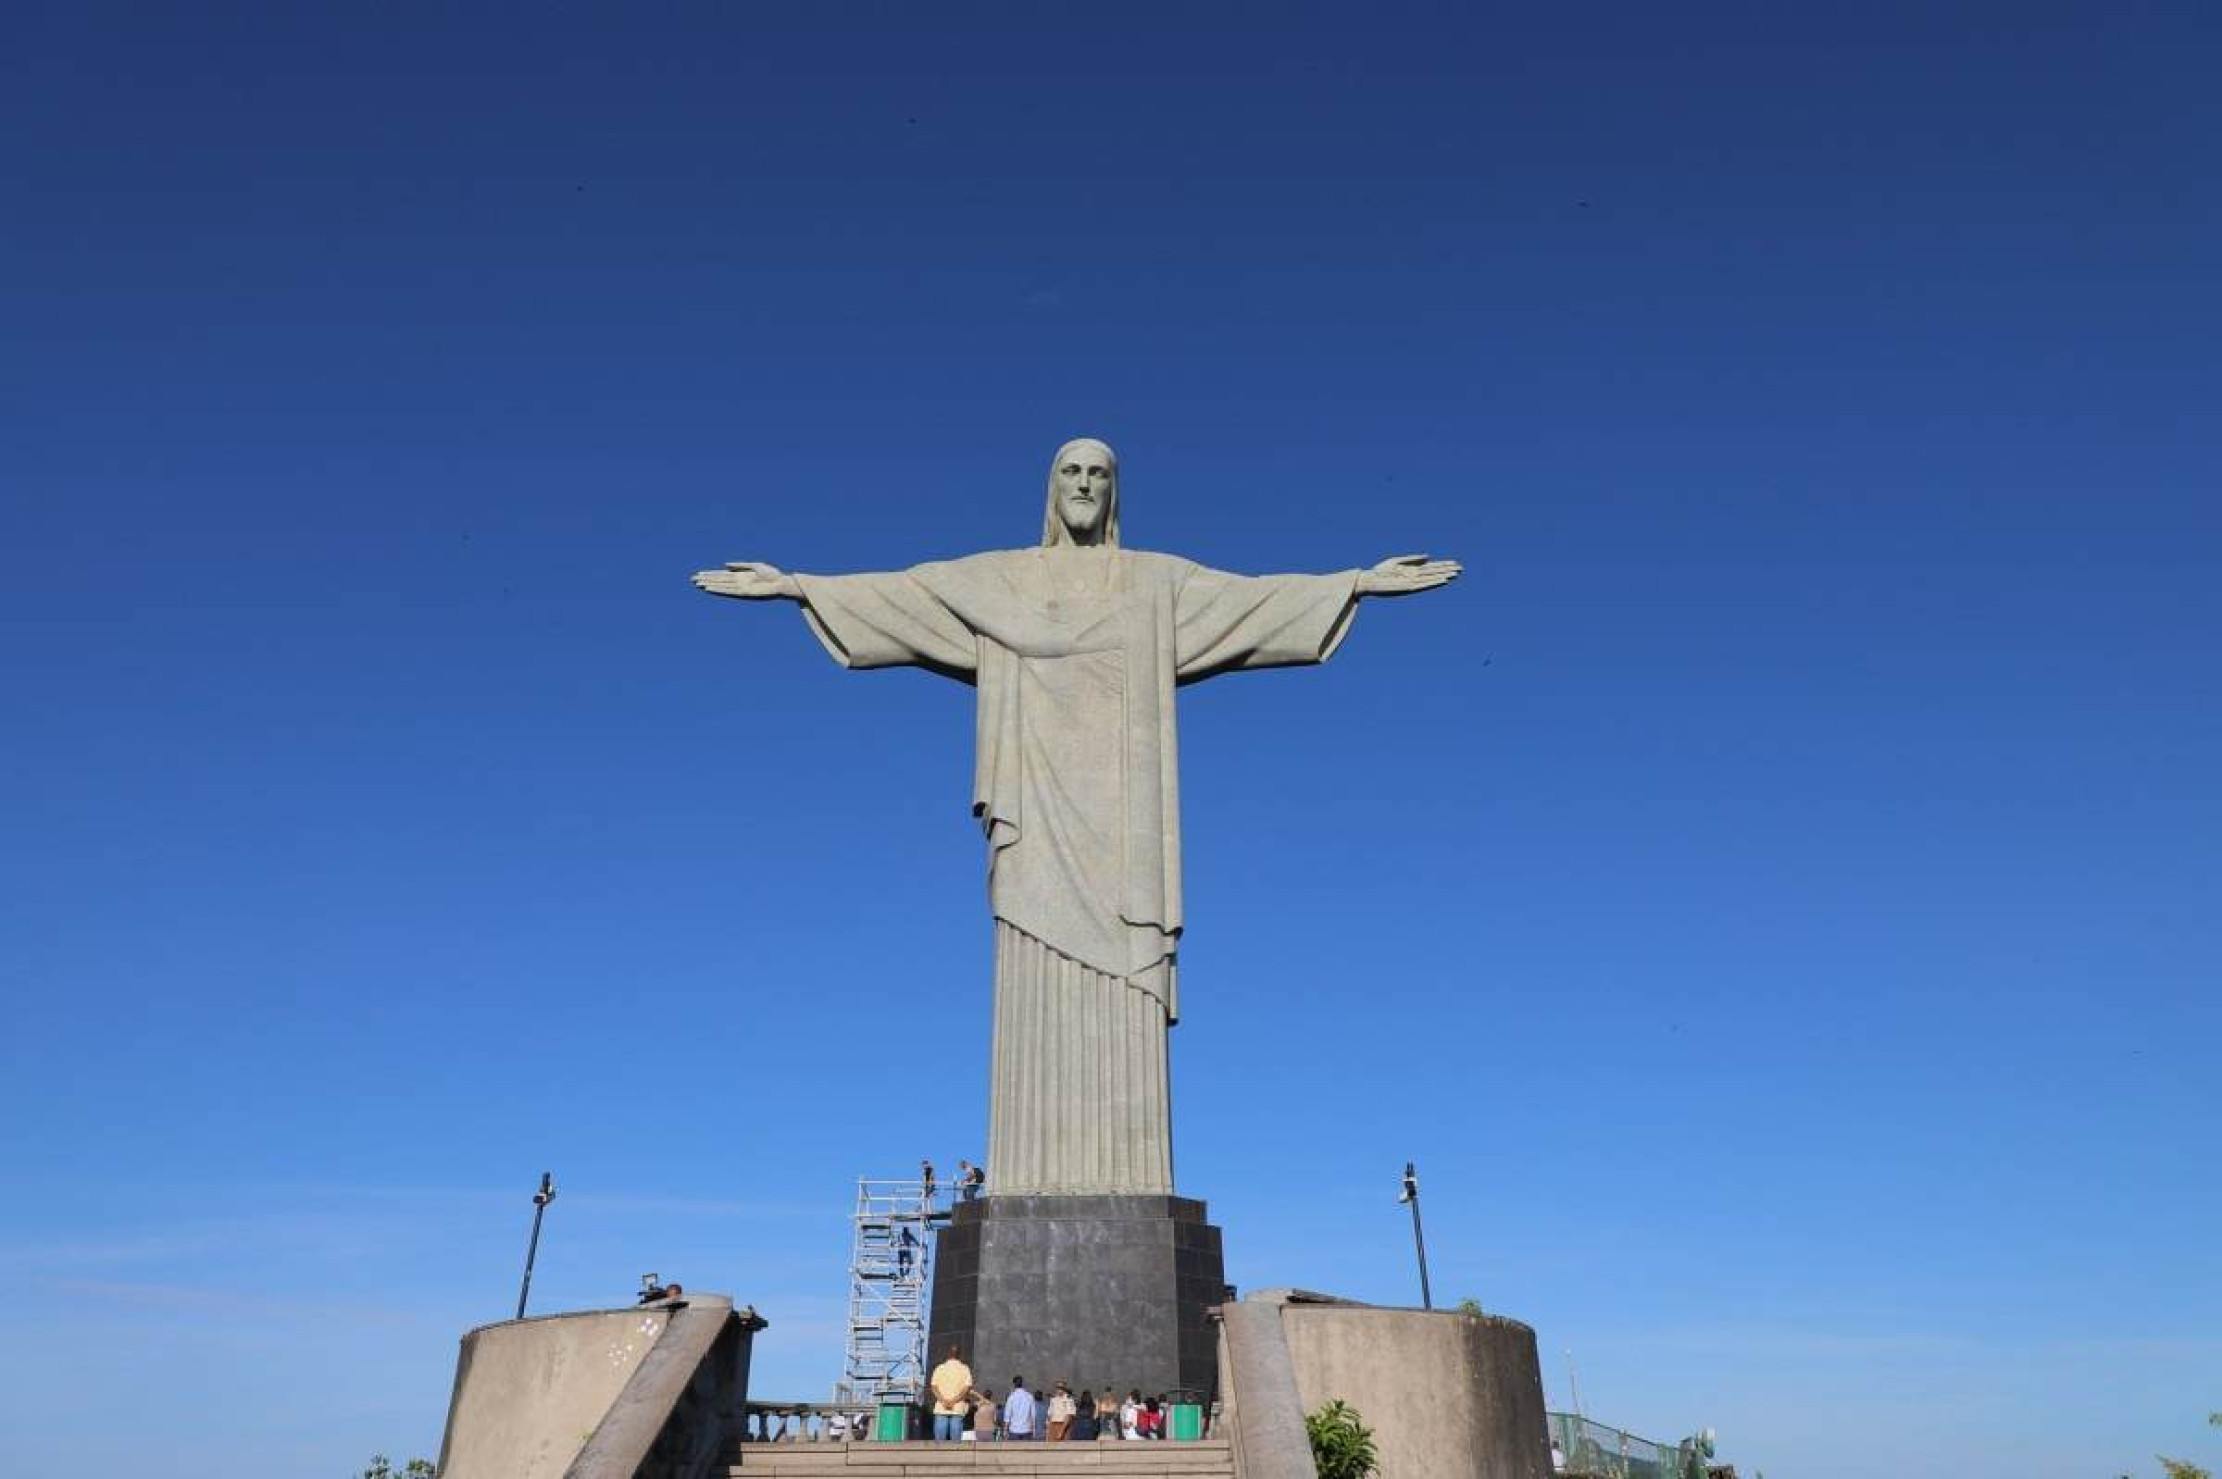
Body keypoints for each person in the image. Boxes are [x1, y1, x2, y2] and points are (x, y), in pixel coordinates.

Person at [691, 441, 1458, 1198]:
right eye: (1071, 472)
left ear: (1115, 491)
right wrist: (796, 587)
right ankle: (1031, 1169)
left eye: (1099, 473)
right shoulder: (1001, 580)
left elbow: (1254, 600)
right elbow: (907, 593)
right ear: (1051, 489)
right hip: (1034, 816)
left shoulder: (1156, 583)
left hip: (1126, 833)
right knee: (1029, 962)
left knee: (1127, 973)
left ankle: (1128, 1171)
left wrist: (1355, 583)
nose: (1085, 484)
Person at [927, 1345, 973, 1443]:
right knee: (956, 1442)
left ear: (948, 1354)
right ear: (959, 1355)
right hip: (957, 1407)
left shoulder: (940, 1368)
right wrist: (954, 1400)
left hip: (941, 1407)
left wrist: (943, 1400)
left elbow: (934, 1387)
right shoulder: (965, 1369)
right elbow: (967, 1388)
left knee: (939, 1443)